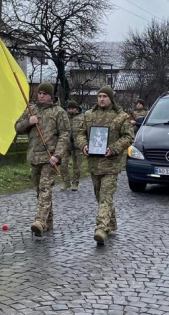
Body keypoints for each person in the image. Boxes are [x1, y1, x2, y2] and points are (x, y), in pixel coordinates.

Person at [76, 86, 134, 245]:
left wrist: (114, 149)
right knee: (99, 196)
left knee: (105, 196)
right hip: (94, 164)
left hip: (111, 164)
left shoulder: (121, 116)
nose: (101, 99)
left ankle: (101, 229)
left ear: (111, 98)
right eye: (99, 96)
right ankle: (111, 223)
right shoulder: (89, 115)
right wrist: (84, 146)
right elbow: (80, 133)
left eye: (104, 96)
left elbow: (129, 137)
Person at [15, 82, 70, 236]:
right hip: (34, 157)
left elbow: (65, 135)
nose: (41, 96)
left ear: (50, 96)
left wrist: (57, 155)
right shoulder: (31, 110)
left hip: (49, 158)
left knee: (45, 188)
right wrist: (28, 122)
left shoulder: (59, 112)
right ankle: (48, 222)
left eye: (44, 93)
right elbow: (17, 128)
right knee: (40, 191)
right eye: (39, 93)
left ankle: (39, 221)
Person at [61, 100, 85, 191]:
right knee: (63, 164)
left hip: (78, 145)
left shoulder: (82, 117)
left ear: (76, 109)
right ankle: (66, 182)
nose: (70, 110)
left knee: (77, 166)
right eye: (69, 108)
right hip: (65, 144)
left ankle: (75, 183)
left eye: (72, 109)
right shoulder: (64, 117)